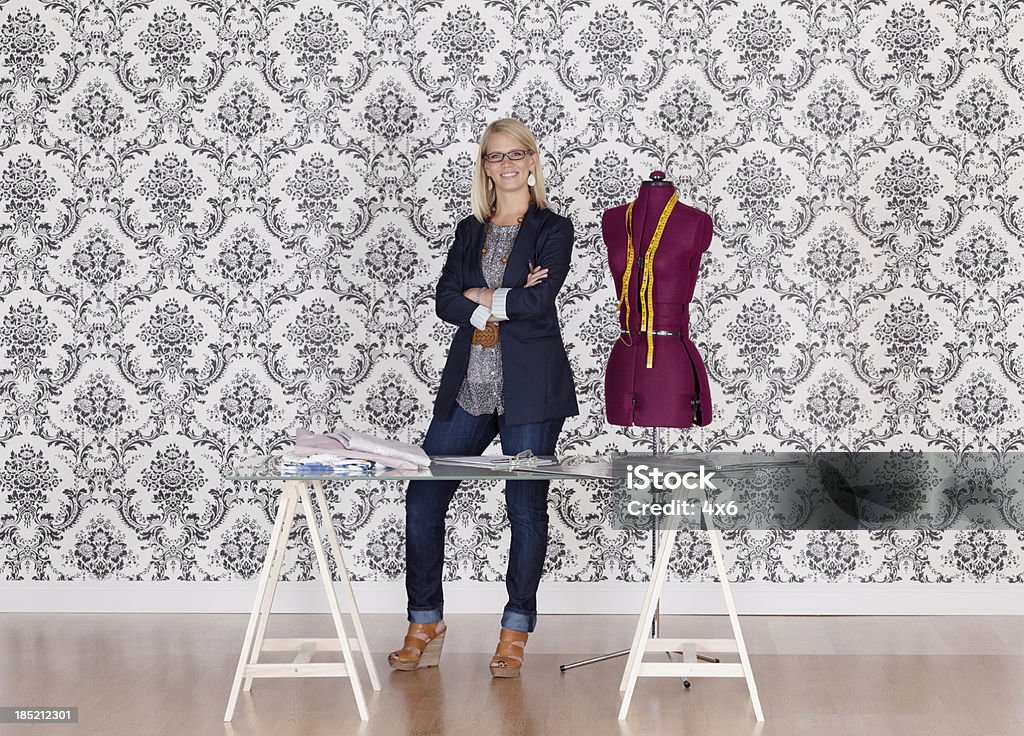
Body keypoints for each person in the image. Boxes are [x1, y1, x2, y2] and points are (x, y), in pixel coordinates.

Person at [387, 118, 578, 678]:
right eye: (495, 157)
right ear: (485, 166)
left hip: (531, 391)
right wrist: (495, 299)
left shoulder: (553, 228)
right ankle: (425, 620)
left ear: (532, 160)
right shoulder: (469, 231)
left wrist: (483, 294)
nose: (507, 164)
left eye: (517, 154)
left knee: (524, 508)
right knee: (423, 497)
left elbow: (540, 305)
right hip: (468, 387)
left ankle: (515, 630)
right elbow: (445, 299)